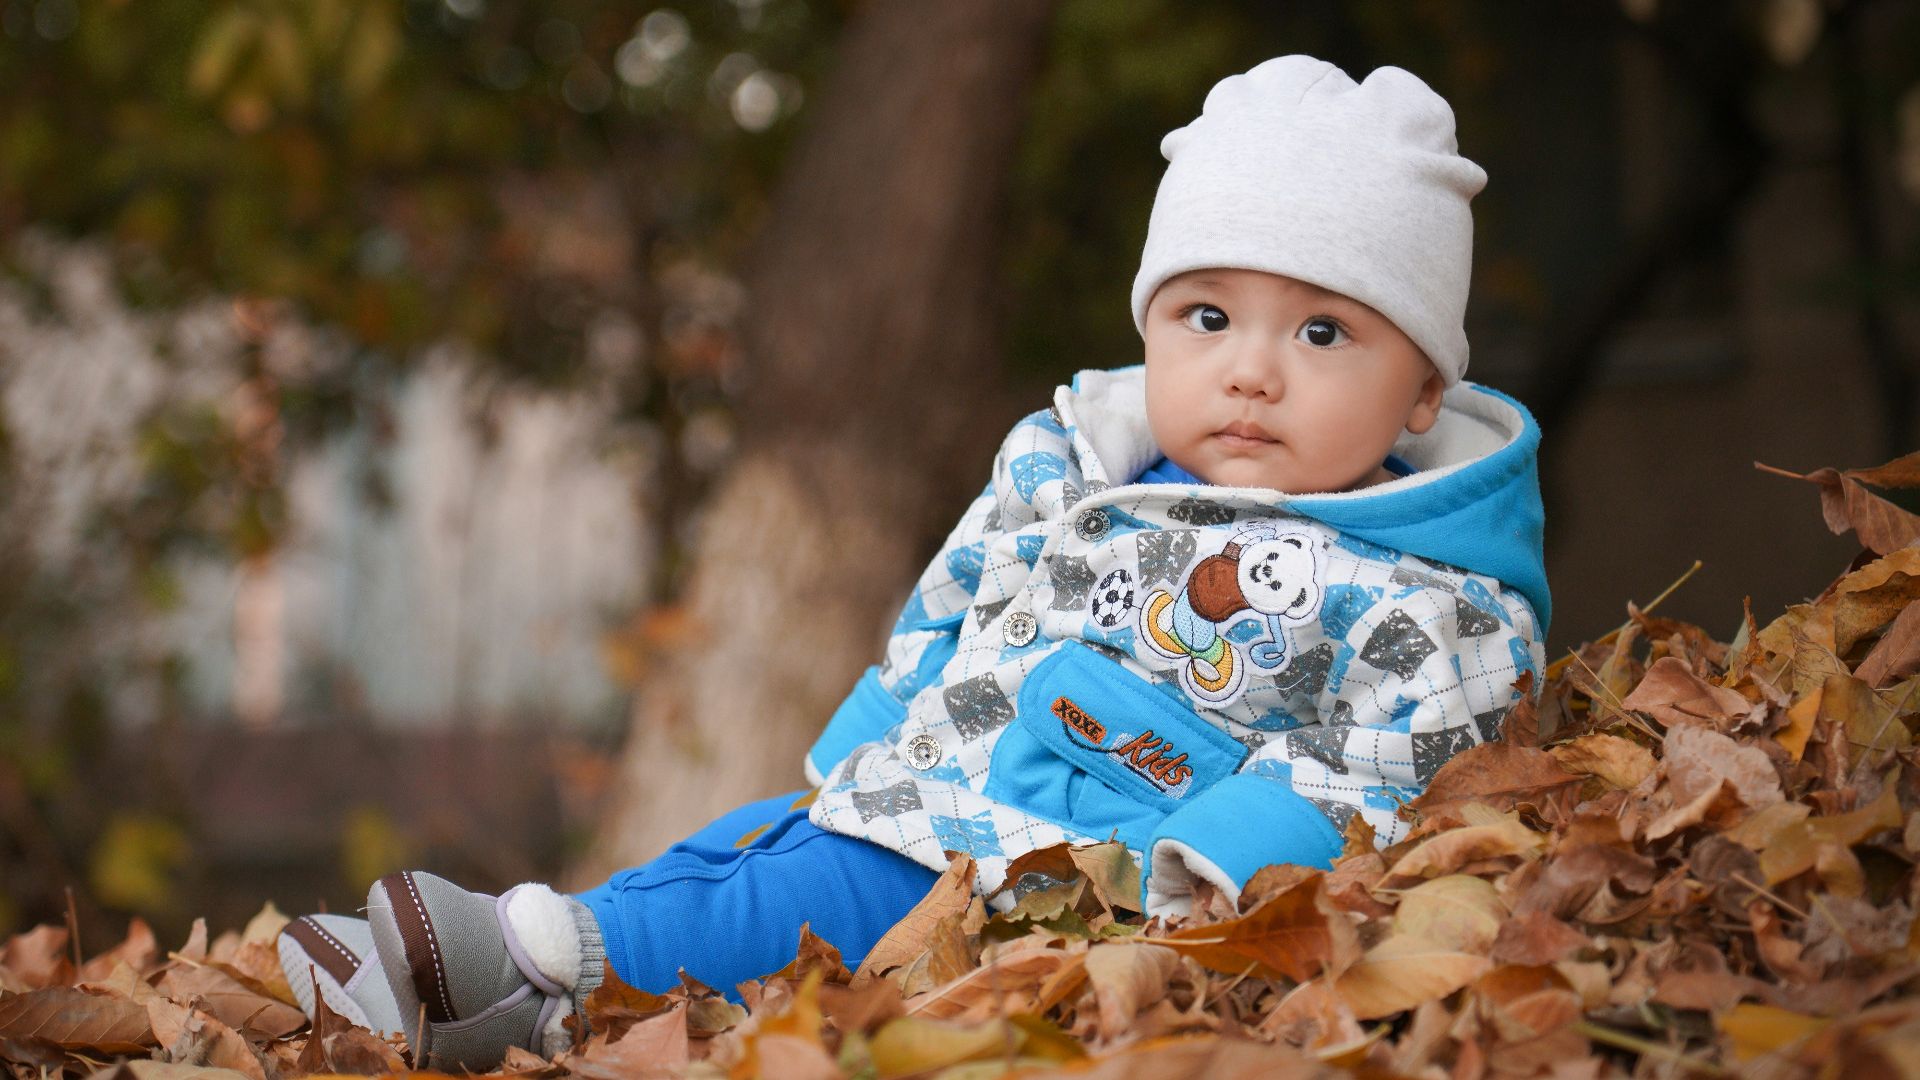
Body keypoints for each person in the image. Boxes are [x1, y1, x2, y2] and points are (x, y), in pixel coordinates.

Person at [277, 54, 1548, 1069]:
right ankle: (502, 968)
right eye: (1206, 317)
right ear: (1152, 326)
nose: (1251, 369)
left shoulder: (1423, 593)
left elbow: (1406, 759)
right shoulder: (1069, 466)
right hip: (944, 770)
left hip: (1082, 846)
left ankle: (550, 958)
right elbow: (955, 595)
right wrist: (875, 725)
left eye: (1323, 331)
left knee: (817, 897)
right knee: (764, 838)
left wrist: (1219, 855)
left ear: (1427, 387)